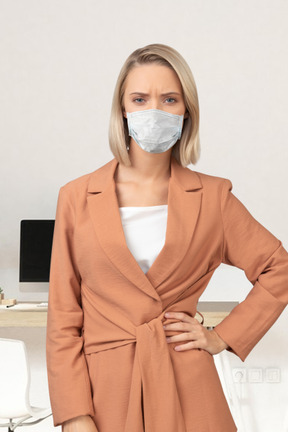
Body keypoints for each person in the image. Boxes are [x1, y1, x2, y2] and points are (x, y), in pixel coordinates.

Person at [46, 43, 288, 432]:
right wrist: (74, 414)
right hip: (104, 392)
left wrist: (222, 336)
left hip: (187, 384)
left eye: (169, 99)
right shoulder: (76, 197)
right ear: (122, 110)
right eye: (139, 99)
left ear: (186, 110)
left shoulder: (213, 198)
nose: (153, 111)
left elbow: (279, 269)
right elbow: (63, 317)